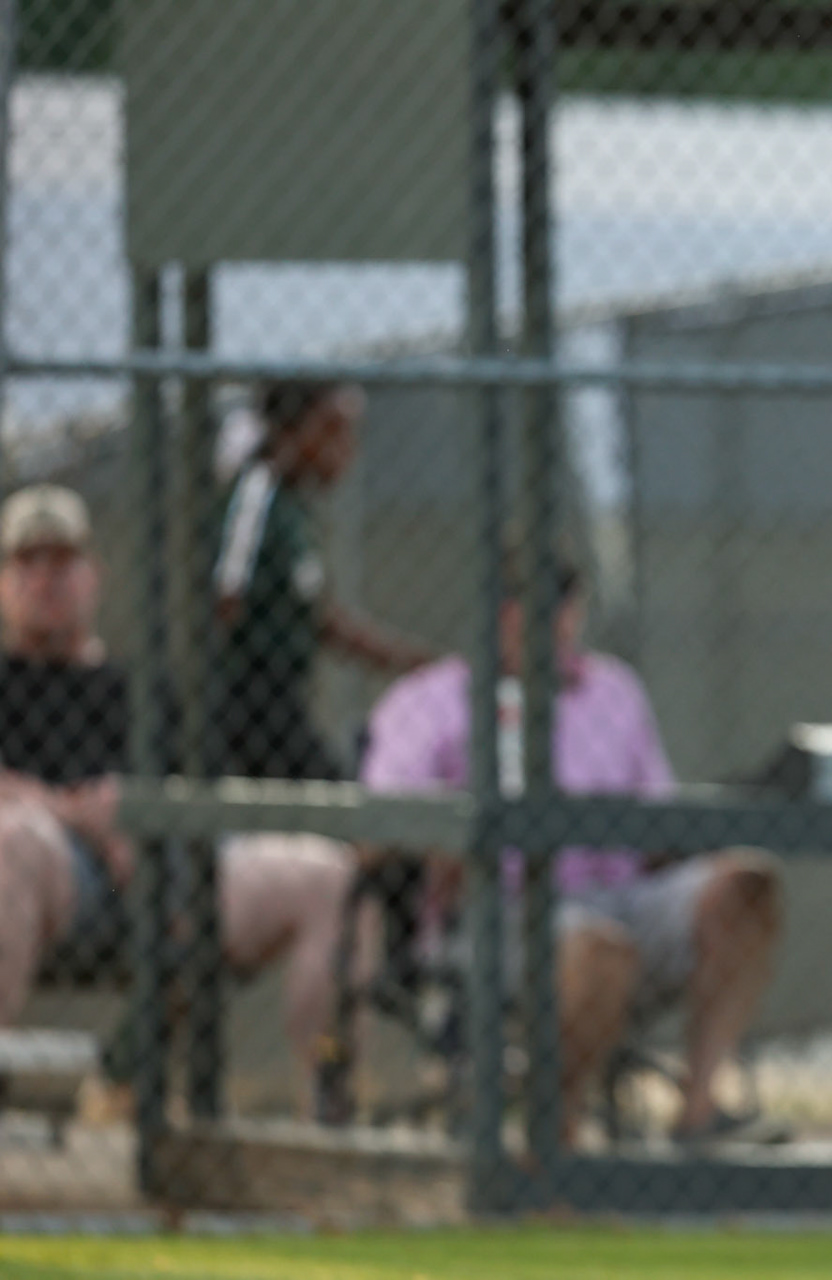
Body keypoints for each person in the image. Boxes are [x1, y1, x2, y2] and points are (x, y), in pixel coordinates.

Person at [358, 548, 782, 1145]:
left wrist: (691, 834)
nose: (552, 628)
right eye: (528, 611)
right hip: (493, 914)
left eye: (563, 611)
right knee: (597, 948)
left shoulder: (613, 691)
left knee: (747, 882)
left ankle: (700, 1110)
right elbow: (378, 827)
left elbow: (655, 819)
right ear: (498, 615)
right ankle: (558, 1135)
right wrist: (446, 839)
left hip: (623, 893)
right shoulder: (431, 700)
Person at [0, 484, 368, 1114]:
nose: (45, 579)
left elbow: (200, 791)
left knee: (325, 876)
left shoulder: (142, 687)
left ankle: (328, 1114)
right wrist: (79, 817)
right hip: (56, 876)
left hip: (163, 867)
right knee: (15, 838)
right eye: (26, 564)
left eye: (61, 562)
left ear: (94, 577)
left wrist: (144, 818)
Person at [213, 379, 435, 780]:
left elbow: (320, 618)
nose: (347, 448)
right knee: (334, 802)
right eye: (332, 428)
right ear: (291, 430)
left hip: (282, 699)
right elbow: (225, 596)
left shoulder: (294, 510)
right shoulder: (256, 494)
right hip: (246, 700)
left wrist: (413, 662)